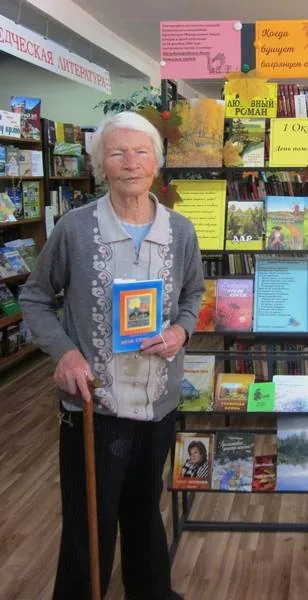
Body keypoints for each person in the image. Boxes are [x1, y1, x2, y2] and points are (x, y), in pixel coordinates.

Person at [19, 111, 205, 600]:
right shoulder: (75, 229)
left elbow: (193, 293)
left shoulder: (181, 230)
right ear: (100, 164)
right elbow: (34, 297)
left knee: (144, 511)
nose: (130, 163)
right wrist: (64, 353)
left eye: (141, 152)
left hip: (158, 402)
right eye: (117, 152)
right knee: (89, 524)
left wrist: (181, 330)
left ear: (156, 163)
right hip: (93, 406)